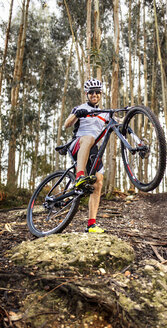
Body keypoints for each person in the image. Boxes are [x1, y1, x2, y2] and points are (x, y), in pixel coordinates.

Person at [64, 78, 109, 233]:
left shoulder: (104, 113)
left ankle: (91, 225)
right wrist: (77, 114)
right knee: (89, 138)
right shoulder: (80, 108)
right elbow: (67, 124)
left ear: (101, 94)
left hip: (93, 150)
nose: (94, 94)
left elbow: (119, 122)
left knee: (98, 181)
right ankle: (79, 175)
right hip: (78, 144)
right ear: (87, 94)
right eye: (91, 92)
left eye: (97, 92)